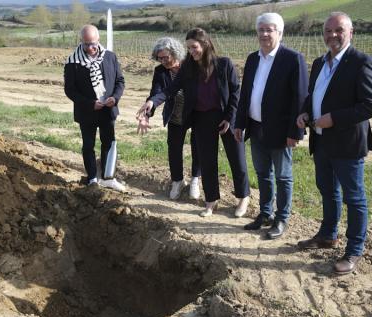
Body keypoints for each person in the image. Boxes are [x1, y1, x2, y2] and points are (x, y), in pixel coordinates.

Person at [296, 12, 372, 274]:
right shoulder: (320, 62)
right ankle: (328, 234)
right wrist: (305, 111)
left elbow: (371, 106)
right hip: (321, 142)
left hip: (347, 143)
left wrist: (334, 118)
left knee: (354, 198)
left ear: (351, 32)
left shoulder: (361, 62)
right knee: (327, 190)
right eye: (328, 31)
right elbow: (314, 95)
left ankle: (354, 250)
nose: (332, 35)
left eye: (338, 30)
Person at [147, 28, 251, 218]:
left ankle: (243, 197)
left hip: (227, 117)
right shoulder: (188, 68)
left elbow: (236, 92)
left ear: (205, 44)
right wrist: (152, 101)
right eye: (188, 48)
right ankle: (211, 201)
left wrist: (229, 117)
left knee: (237, 159)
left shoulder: (224, 64)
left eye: (194, 47)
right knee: (207, 161)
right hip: (202, 118)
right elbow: (171, 88)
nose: (191, 51)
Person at [234, 12, 308, 239]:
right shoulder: (252, 58)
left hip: (281, 130)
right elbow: (245, 94)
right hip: (256, 128)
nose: (265, 34)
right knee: (263, 173)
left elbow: (300, 97)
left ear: (280, 32)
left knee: (283, 177)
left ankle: (281, 218)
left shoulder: (292, 58)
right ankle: (265, 213)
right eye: (261, 30)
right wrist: (240, 123)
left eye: (270, 29)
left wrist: (295, 131)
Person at [137, 37, 201, 200]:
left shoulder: (190, 65)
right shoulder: (160, 71)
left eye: (166, 57)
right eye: (160, 58)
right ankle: (177, 181)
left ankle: (195, 179)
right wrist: (146, 115)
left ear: (175, 53)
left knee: (198, 147)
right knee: (174, 149)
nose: (164, 61)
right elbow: (155, 94)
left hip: (196, 113)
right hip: (175, 114)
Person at [64, 24, 126, 191]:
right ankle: (92, 179)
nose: (90, 48)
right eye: (86, 44)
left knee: (109, 143)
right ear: (81, 42)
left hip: (108, 110)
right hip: (87, 112)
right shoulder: (72, 62)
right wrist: (90, 104)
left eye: (92, 43)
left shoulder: (110, 57)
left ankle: (108, 177)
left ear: (98, 40)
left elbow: (120, 81)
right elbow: (70, 90)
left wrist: (115, 97)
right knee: (88, 146)